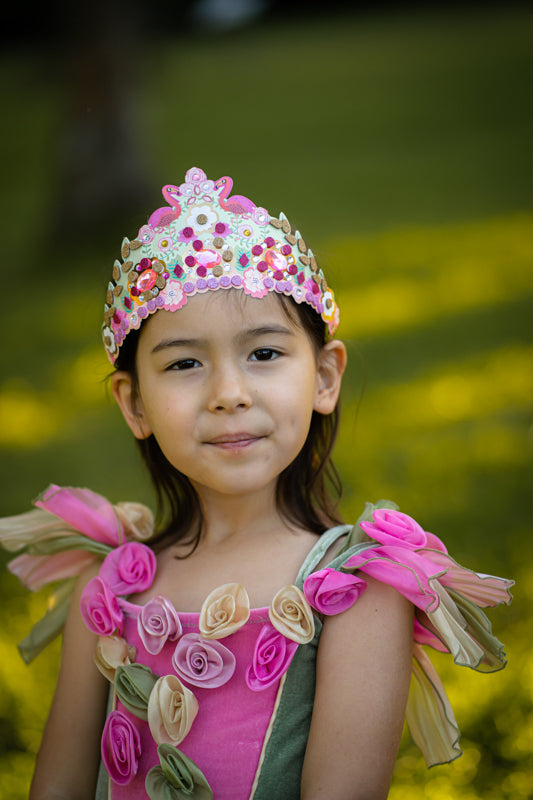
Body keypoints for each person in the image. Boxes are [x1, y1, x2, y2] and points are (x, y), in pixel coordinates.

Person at [0, 167, 513, 800]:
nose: (229, 395)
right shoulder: (105, 587)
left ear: (325, 377)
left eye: (263, 354)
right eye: (185, 363)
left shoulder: (359, 592)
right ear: (133, 404)